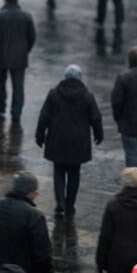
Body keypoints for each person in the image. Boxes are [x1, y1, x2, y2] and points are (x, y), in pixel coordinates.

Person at [35, 65, 103, 219]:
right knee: (74, 172)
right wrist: (98, 134)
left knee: (58, 170)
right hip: (78, 141)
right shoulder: (87, 96)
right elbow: (96, 117)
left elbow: (44, 116)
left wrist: (40, 135)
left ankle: (60, 201)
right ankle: (70, 204)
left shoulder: (54, 94)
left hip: (57, 138)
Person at [0, 0, 36, 124]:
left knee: (0, 83)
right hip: (19, 57)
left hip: (0, 55)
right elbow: (32, 37)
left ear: (5, 0)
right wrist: (25, 50)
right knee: (18, 86)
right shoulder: (26, 17)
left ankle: (1, 108)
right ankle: (16, 113)